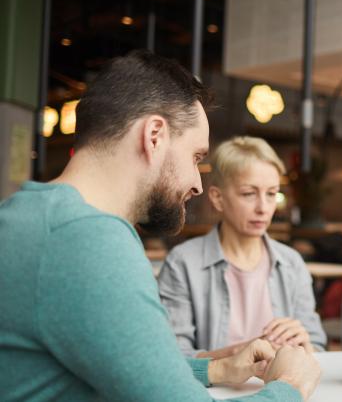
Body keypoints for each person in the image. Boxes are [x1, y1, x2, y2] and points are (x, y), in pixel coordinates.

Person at [0, 50, 320, 401]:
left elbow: (125, 365)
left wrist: (217, 369)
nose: (197, 183)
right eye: (196, 157)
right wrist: (290, 385)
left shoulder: (28, 215)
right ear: (154, 135)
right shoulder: (88, 240)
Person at [158, 136, 326, 358]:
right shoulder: (182, 264)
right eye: (249, 194)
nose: (263, 208)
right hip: (212, 392)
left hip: (279, 388)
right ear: (217, 198)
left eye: (272, 194)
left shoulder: (291, 263)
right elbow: (172, 356)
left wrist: (306, 345)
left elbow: (318, 347)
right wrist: (242, 353)